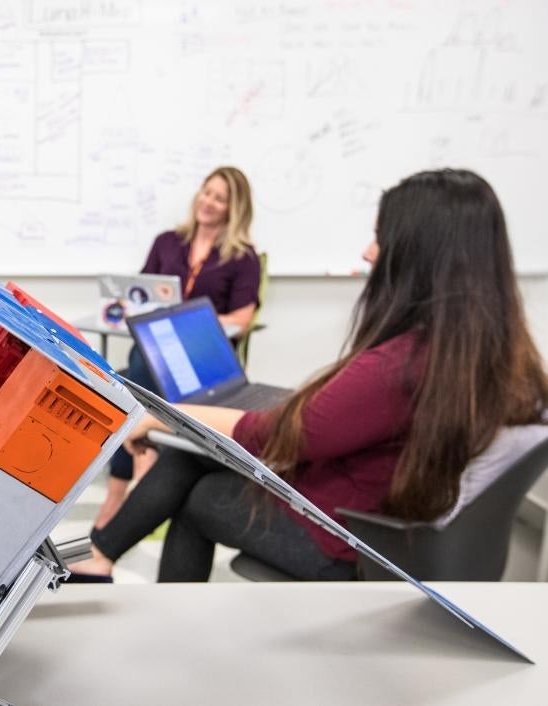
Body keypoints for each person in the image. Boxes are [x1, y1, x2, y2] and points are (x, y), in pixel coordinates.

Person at [74, 168, 548, 581]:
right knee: (192, 455)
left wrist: (163, 416)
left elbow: (281, 435)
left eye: (380, 237)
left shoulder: (403, 363)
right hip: (377, 509)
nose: (367, 252)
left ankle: (109, 566)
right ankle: (101, 557)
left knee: (198, 492)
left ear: (419, 256)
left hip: (343, 535)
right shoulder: (480, 351)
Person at [99, 166, 262, 527]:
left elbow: (242, 319)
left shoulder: (243, 256)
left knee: (132, 386)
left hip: (202, 354)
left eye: (220, 198)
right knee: (137, 371)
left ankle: (128, 476)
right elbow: (138, 293)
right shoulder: (167, 242)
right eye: (207, 192)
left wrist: (190, 320)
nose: (209, 202)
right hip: (159, 349)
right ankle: (138, 461)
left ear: (234, 208)